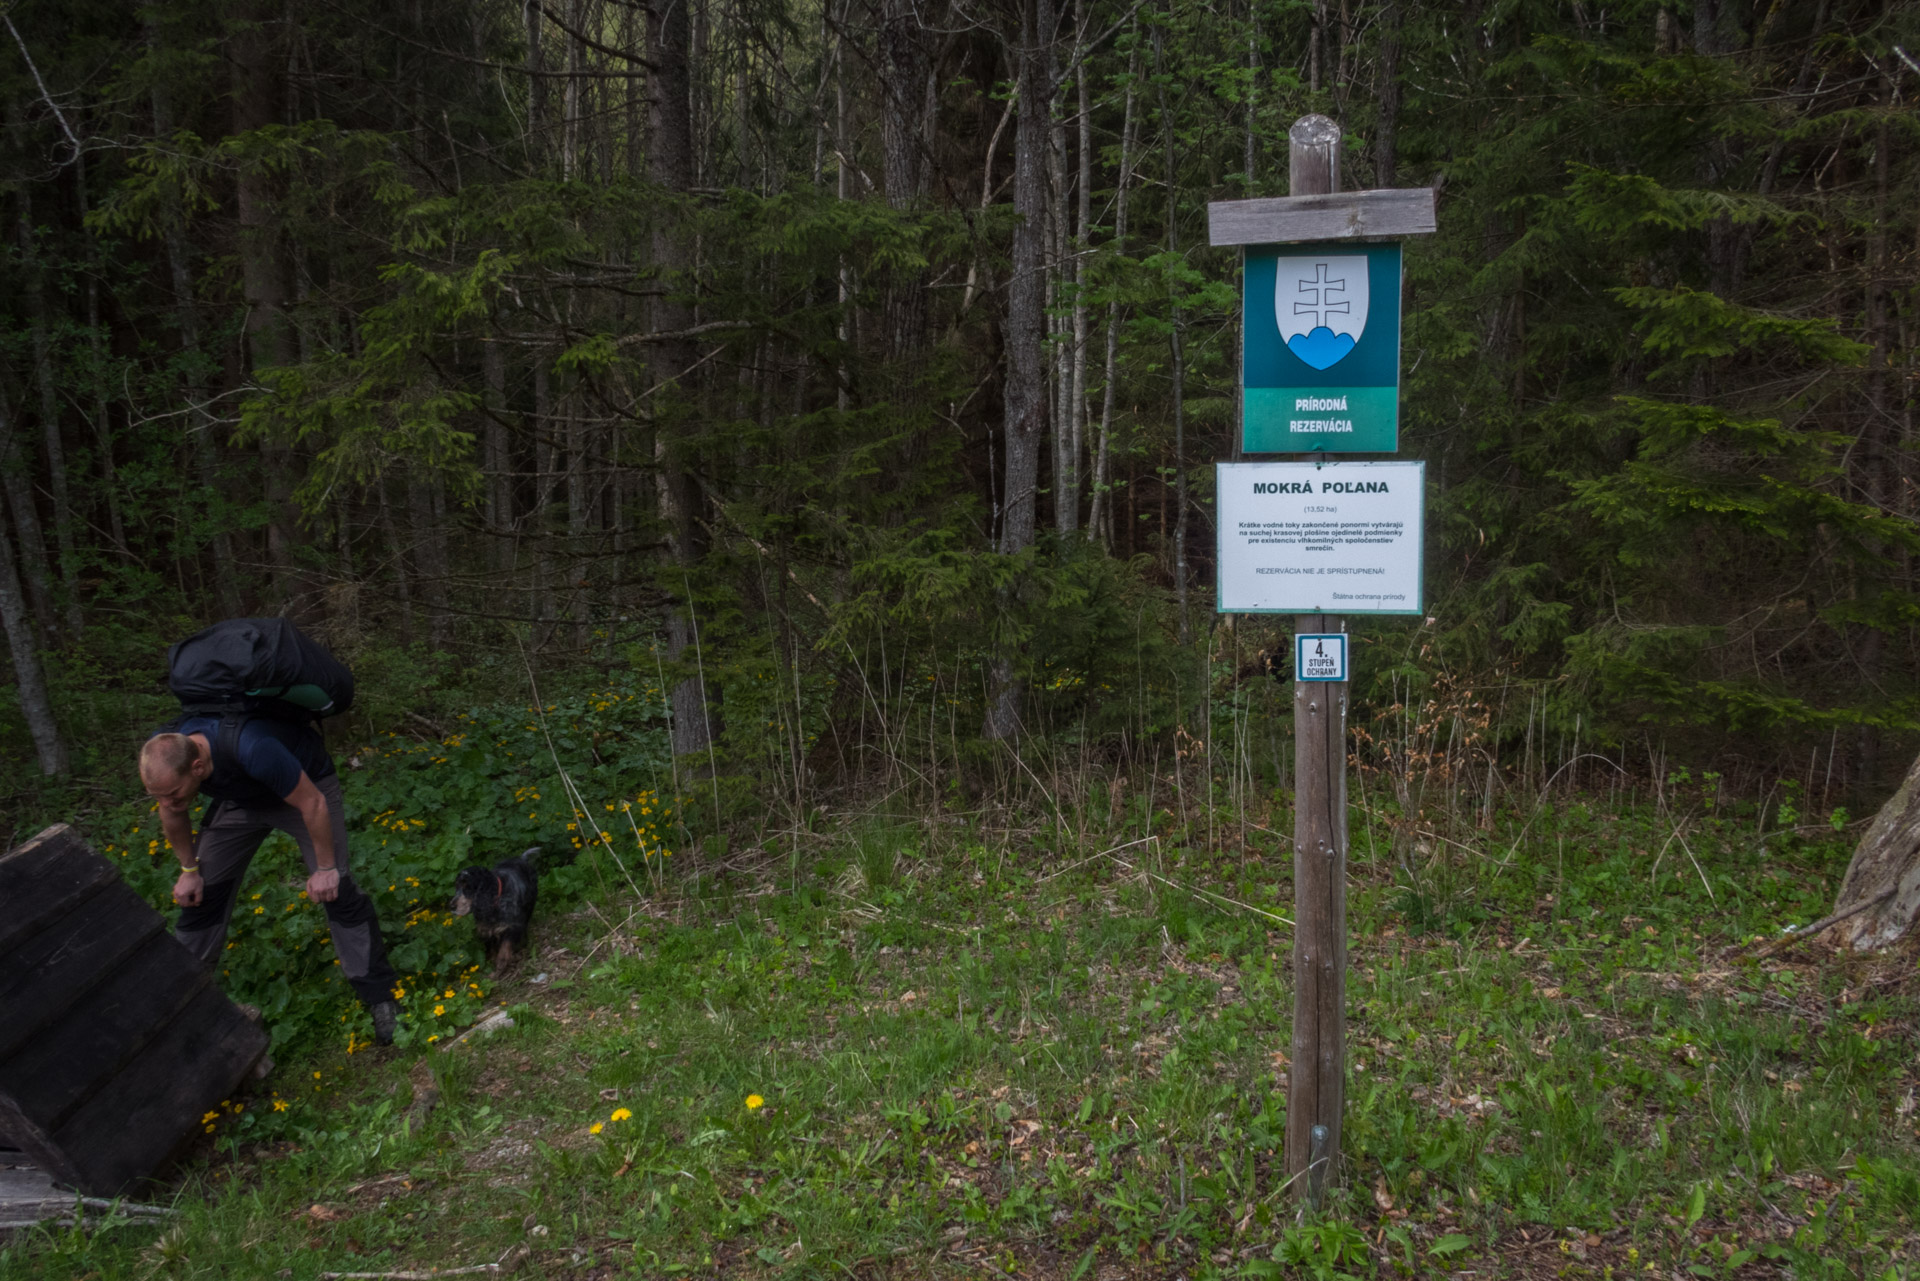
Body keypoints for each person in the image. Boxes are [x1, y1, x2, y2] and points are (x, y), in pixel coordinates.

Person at [141, 715, 401, 1046]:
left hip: (305, 791)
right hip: (241, 800)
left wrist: (325, 869)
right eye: (159, 796)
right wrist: (189, 870)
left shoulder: (254, 749)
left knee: (338, 889)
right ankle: (177, 1002)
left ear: (196, 767)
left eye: (174, 794)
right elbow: (172, 813)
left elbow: (313, 803)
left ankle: (381, 998)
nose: (167, 804)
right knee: (202, 896)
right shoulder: (166, 758)